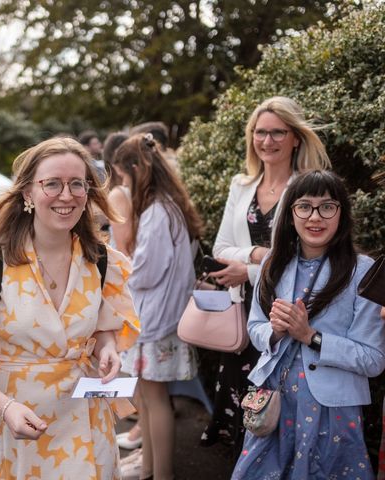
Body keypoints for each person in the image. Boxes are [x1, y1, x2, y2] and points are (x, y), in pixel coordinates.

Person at [0, 137, 139, 479]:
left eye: (76, 184)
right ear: (26, 193)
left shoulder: (102, 260)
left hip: (81, 431)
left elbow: (102, 323)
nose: (66, 195)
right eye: (52, 183)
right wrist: (5, 408)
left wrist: (108, 346)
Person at [232, 170, 385, 479]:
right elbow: (256, 329)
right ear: (290, 215)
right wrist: (275, 332)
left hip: (333, 412)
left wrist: (310, 336)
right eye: (304, 206)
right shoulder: (272, 262)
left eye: (327, 206)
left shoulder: (362, 271)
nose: (315, 217)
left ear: (342, 213)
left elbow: (373, 359)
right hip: (274, 402)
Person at [202, 96, 331, 453]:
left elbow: (309, 255)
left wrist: (251, 269)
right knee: (245, 409)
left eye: (277, 132)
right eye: (260, 132)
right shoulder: (241, 184)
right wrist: (259, 256)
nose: (267, 141)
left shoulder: (308, 187)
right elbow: (221, 248)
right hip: (244, 313)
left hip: (290, 311)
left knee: (283, 412)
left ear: (295, 138)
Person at [113, 134, 203, 479]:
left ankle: (160, 472)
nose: (122, 183)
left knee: (153, 400)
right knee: (150, 400)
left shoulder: (155, 212)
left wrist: (120, 267)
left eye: (123, 176)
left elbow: (144, 273)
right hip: (163, 317)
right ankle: (149, 467)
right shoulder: (170, 206)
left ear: (137, 170)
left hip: (153, 320)